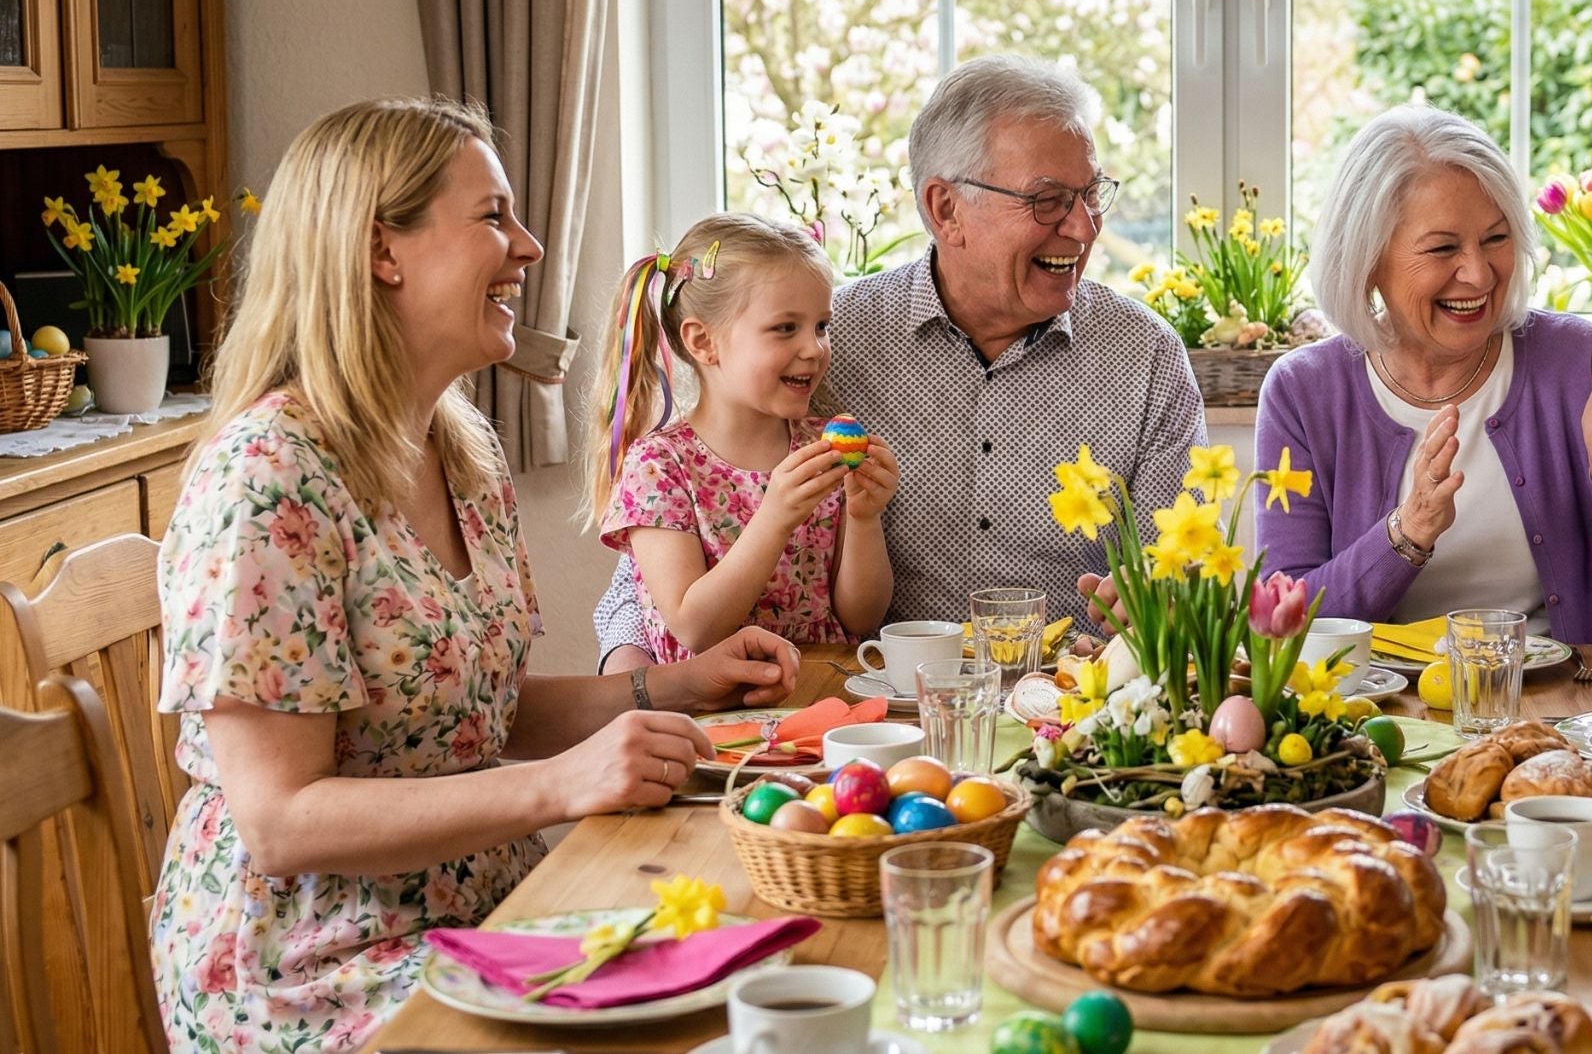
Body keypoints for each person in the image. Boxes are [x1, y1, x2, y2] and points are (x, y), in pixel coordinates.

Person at [150, 99, 802, 1052]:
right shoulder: (268, 476)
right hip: (313, 965)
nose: (529, 247)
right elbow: (282, 821)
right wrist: (559, 787)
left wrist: (667, 688)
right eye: (493, 216)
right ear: (384, 251)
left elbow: (470, 710)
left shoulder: (460, 450)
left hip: (487, 907)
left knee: (757, 971)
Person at [593, 55, 1203, 648]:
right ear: (946, 209)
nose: (1084, 227)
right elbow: (664, 567)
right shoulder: (823, 344)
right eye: (1048, 201)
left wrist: (1166, 599)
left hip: (1070, 707)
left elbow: (1184, 570)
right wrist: (639, 684)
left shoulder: (1143, 356)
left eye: (1091, 194)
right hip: (875, 713)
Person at [1254, 105, 1592, 639]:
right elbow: (1284, 624)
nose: (1478, 274)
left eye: (1496, 239)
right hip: (1380, 714)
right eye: (1443, 248)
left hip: (1565, 709)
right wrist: (1405, 534)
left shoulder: (1574, 361)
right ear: (1367, 259)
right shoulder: (1303, 393)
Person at [588, 214, 898, 674]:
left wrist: (864, 515)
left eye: (820, 326)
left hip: (818, 696)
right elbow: (695, 628)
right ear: (703, 342)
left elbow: (861, 617)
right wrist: (774, 519)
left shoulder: (820, 445)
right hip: (713, 718)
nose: (814, 349)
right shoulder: (658, 466)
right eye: (785, 328)